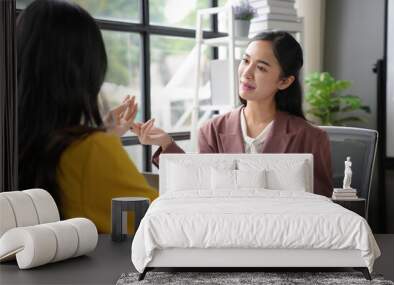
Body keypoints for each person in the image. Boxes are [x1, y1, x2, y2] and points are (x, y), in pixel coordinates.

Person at [131, 31, 333, 197]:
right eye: (246, 61)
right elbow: (199, 189)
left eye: (261, 67)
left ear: (284, 81)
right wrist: (167, 145)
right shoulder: (211, 130)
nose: (247, 72)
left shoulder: (312, 138)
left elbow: (323, 205)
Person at [17, 0, 157, 233]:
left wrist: (105, 135)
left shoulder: (20, 145)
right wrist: (104, 144)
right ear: (87, 68)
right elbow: (163, 224)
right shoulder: (90, 151)